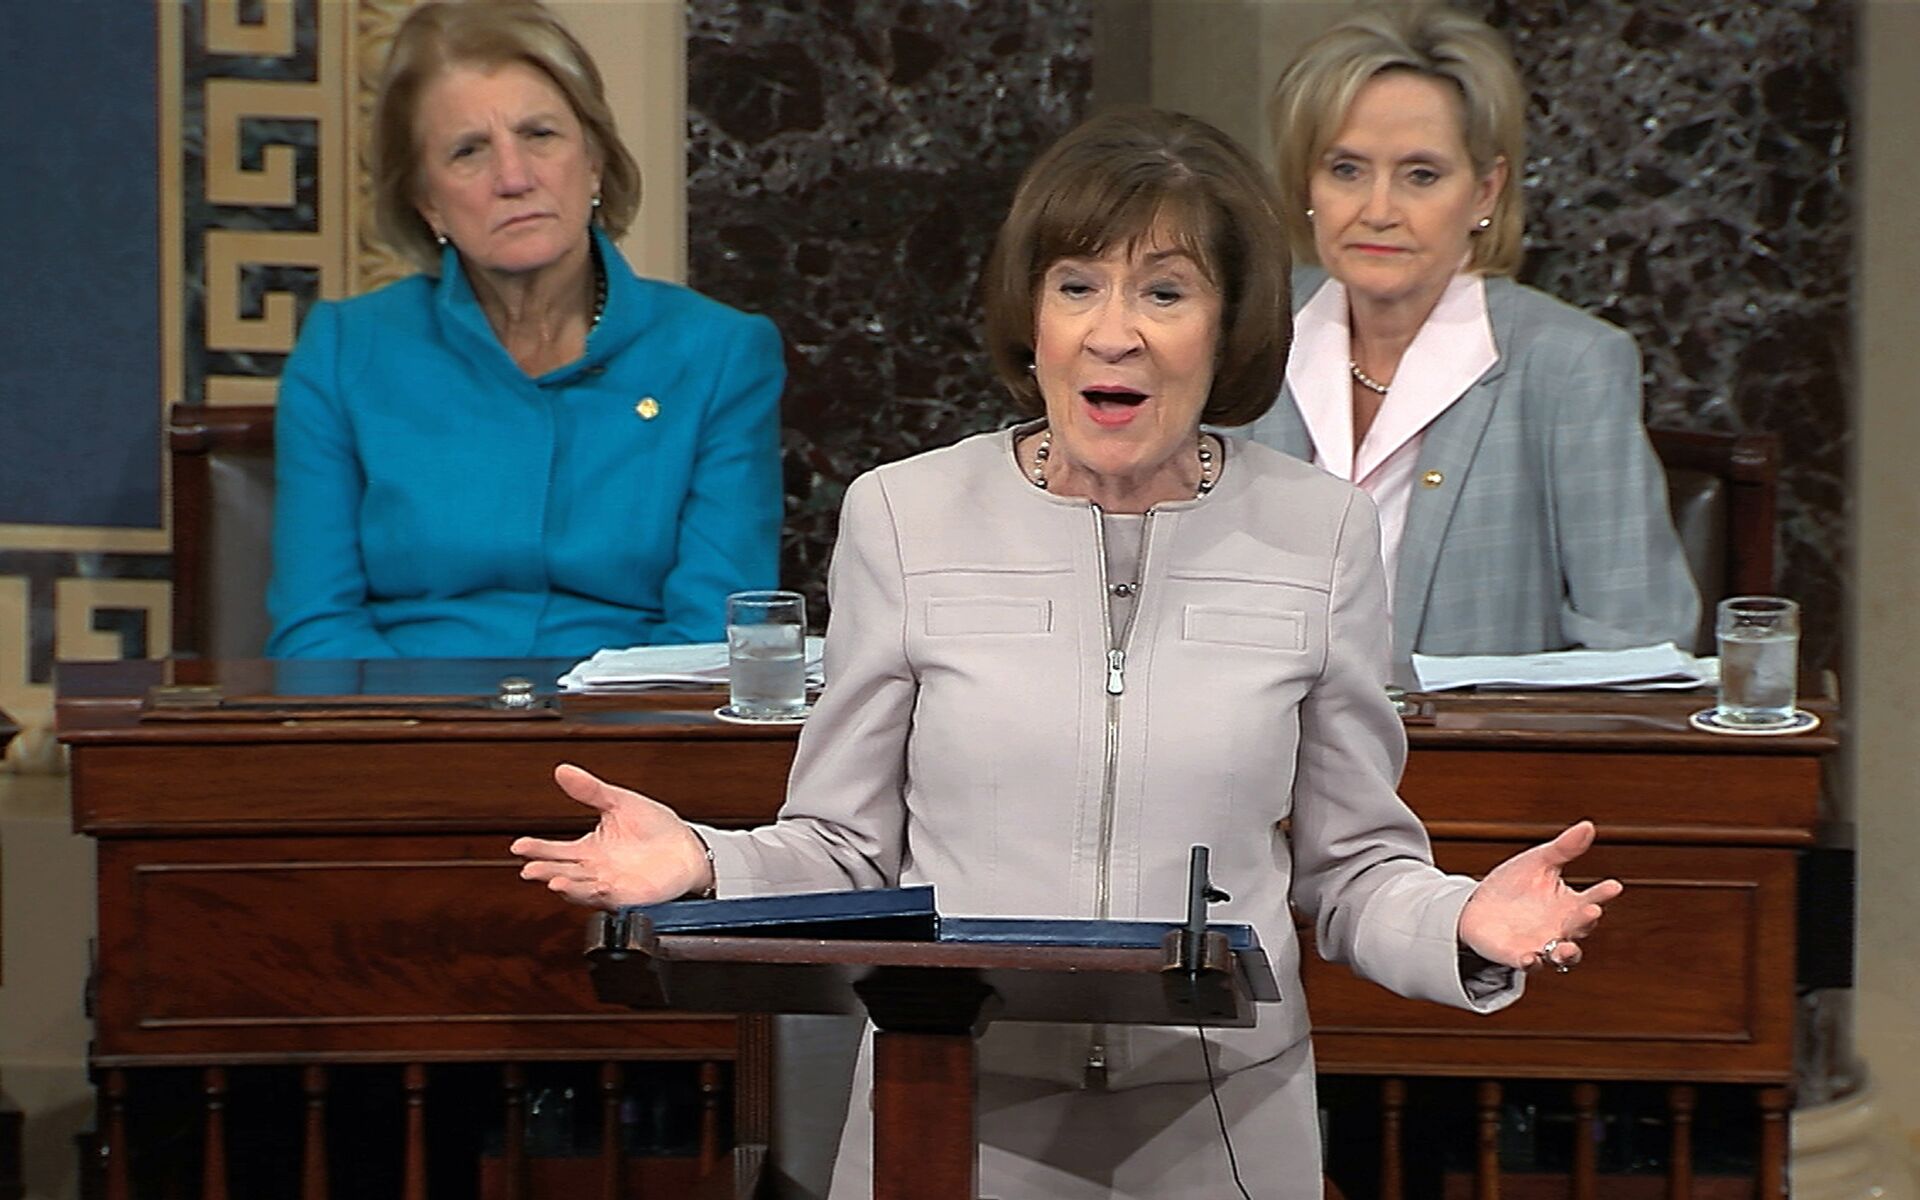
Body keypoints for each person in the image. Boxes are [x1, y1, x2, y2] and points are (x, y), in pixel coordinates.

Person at [512, 108, 1620, 1200]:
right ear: (1030, 318)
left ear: (1226, 327)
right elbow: (844, 851)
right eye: (1077, 285)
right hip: (950, 1110)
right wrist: (704, 862)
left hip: (1222, 1125)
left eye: (1166, 292)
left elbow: (1353, 871)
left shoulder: (1319, 534)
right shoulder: (905, 517)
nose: (1114, 331)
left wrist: (1464, 923)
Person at [266, 1, 783, 659]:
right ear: (426, 200)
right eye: (468, 151)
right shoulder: (344, 352)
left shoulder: (720, 356)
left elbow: (715, 630)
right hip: (403, 737)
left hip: (630, 743)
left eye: (539, 135)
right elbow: (317, 629)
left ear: (593, 161)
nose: (513, 178)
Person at [1249, 6, 1698, 669]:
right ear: (1307, 181)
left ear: (1485, 191)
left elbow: (1639, 647)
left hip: (1474, 766)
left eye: (1420, 175)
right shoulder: (1246, 334)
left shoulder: (1570, 367)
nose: (1377, 209)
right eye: (1346, 169)